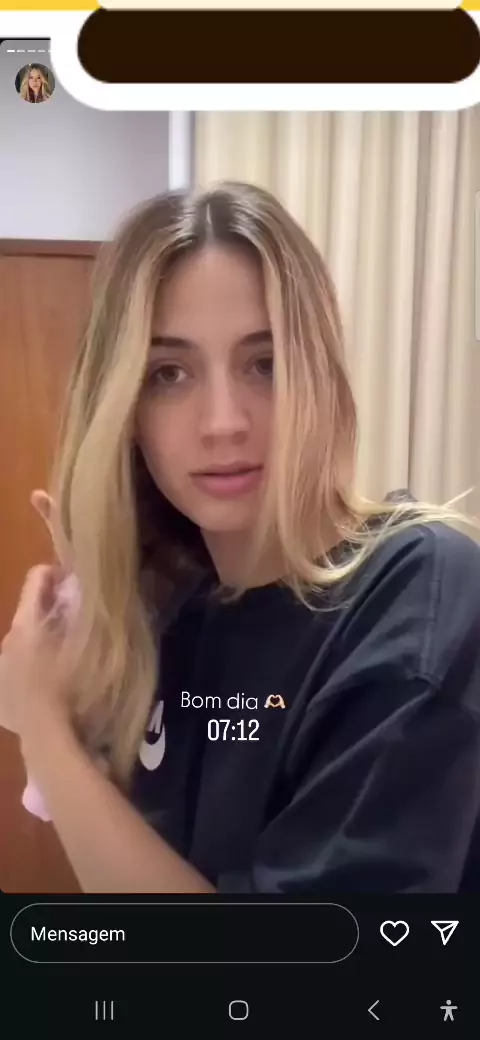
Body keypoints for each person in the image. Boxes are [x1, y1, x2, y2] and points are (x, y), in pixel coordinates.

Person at [1, 181, 480, 895]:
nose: (224, 422)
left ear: (321, 377)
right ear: (125, 409)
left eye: (266, 364)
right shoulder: (175, 610)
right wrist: (88, 663)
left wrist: (40, 722)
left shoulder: (418, 595)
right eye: (169, 373)